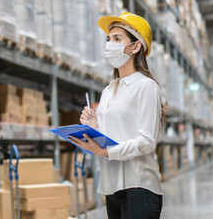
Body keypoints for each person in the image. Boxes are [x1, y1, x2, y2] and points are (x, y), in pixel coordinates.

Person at [68, 12, 165, 219]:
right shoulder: (108, 91)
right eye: (108, 39)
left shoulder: (146, 87)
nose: (110, 44)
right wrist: (93, 126)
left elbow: (147, 141)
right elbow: (110, 136)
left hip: (140, 187)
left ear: (135, 46)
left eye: (117, 39)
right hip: (111, 187)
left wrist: (106, 153)